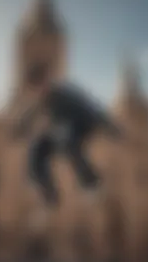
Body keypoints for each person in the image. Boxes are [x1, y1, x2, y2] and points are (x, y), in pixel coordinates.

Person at [12, 63, 125, 233]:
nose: (39, 95)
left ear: (46, 83)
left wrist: (111, 127)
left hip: (83, 125)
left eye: (40, 88)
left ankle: (91, 182)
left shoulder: (66, 93)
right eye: (36, 92)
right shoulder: (42, 100)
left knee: (65, 138)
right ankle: (49, 196)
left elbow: (90, 106)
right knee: (37, 146)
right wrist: (19, 128)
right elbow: (30, 114)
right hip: (62, 131)